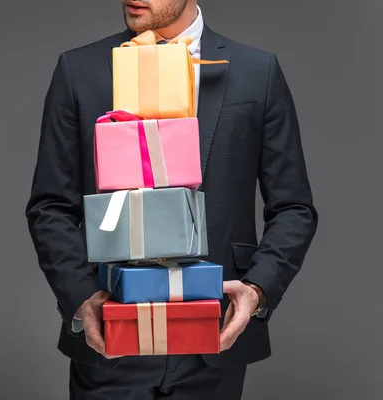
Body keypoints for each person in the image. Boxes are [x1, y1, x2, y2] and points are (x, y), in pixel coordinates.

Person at [25, 0, 318, 398]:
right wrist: (80, 299)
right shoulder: (80, 71)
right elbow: (50, 206)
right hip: (111, 330)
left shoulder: (256, 72)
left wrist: (257, 289)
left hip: (213, 334)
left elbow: (294, 207)